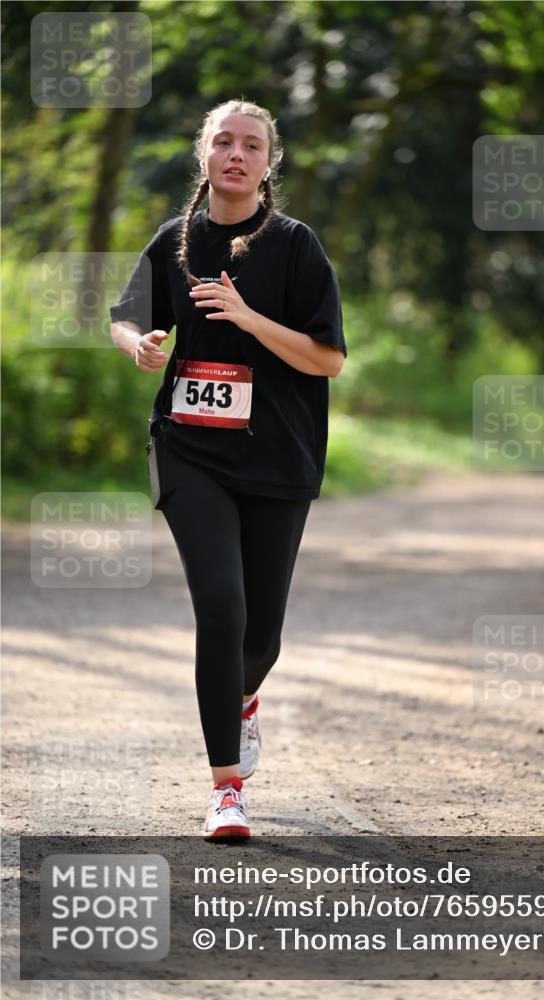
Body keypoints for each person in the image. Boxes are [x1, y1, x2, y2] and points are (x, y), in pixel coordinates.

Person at [109, 98, 347, 841]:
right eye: (223, 142)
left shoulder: (295, 247)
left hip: (278, 454)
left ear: (268, 163)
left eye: (251, 145)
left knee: (260, 639)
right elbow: (126, 314)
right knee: (221, 606)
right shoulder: (175, 240)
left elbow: (328, 359)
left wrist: (247, 318)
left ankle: (241, 699)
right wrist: (138, 345)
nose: (236, 154)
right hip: (190, 449)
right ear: (203, 154)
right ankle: (225, 791)